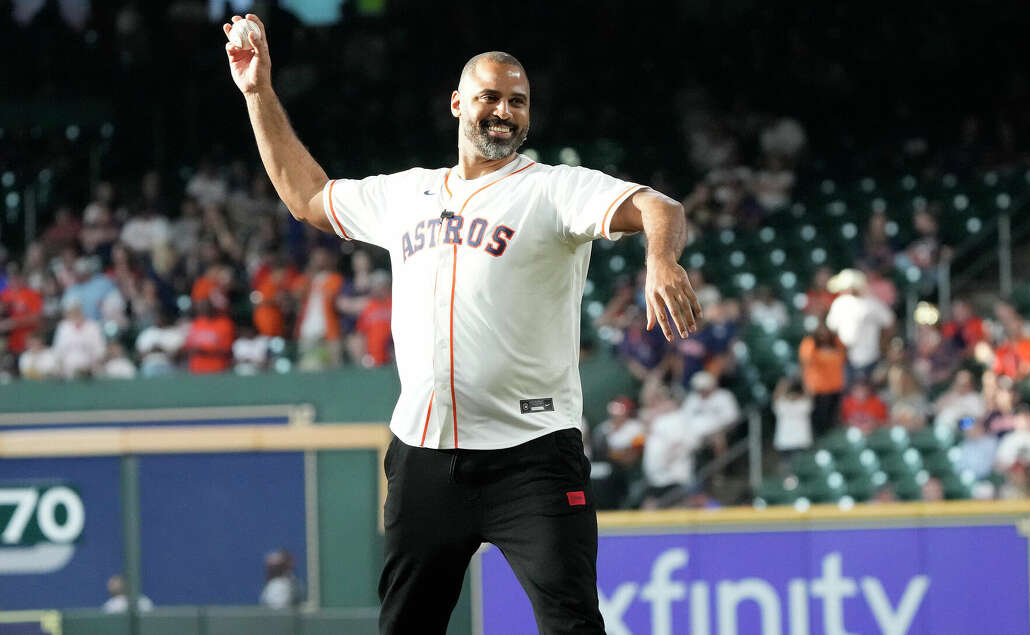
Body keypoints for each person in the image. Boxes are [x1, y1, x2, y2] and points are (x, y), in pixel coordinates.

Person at [225, 16, 701, 634]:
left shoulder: (553, 190)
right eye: (489, 96)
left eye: (517, 101)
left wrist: (661, 258)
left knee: (573, 625)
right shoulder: (407, 194)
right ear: (457, 104)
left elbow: (657, 205)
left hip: (533, 458)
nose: (503, 111)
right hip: (426, 458)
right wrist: (258, 93)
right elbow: (308, 198)